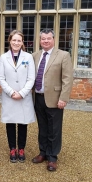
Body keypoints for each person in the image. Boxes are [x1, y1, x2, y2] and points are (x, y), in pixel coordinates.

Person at [32, 29, 73, 171]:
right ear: (40, 40)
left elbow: (67, 79)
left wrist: (63, 98)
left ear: (54, 39)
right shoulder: (35, 55)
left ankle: (52, 157)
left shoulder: (63, 55)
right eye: (43, 39)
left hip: (55, 99)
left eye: (48, 38)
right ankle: (43, 152)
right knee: (42, 128)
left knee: (54, 129)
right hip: (38, 97)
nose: (46, 41)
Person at [0, 30, 36, 163]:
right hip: (9, 96)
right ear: (10, 41)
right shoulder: (3, 57)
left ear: (22, 42)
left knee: (22, 122)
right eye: (14, 40)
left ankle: (21, 148)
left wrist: (22, 93)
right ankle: (12, 148)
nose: (16, 43)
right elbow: (1, 78)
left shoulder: (28, 57)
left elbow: (31, 78)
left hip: (23, 96)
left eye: (19, 40)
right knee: (10, 122)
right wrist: (11, 92)